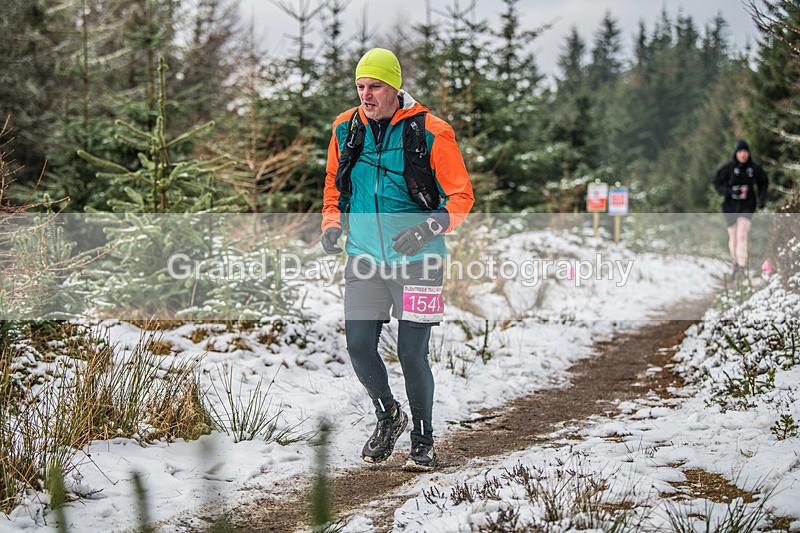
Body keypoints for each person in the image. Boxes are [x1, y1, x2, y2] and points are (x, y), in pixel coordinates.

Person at [320, 48, 474, 471]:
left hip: (421, 261)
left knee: (411, 354)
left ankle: (423, 439)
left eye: (375, 87)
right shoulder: (345, 129)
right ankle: (388, 414)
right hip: (365, 258)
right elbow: (334, 185)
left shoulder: (431, 131)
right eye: (360, 86)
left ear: (394, 87)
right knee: (358, 347)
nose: (365, 95)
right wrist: (331, 223)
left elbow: (461, 197)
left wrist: (428, 228)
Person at [713, 139, 768, 278]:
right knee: (733, 236)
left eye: (745, 152)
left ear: (748, 153)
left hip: (747, 205)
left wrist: (762, 199)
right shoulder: (728, 168)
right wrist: (729, 191)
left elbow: (763, 183)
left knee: (742, 234)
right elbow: (717, 183)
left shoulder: (754, 168)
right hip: (730, 206)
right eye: (740, 152)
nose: (743, 155)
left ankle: (743, 265)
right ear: (736, 153)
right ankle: (735, 264)